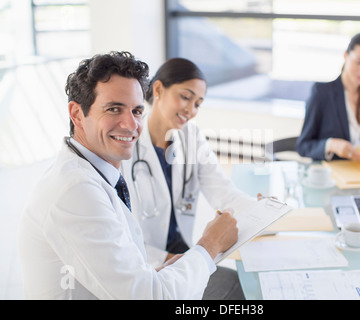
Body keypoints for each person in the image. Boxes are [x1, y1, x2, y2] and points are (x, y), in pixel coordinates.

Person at [18, 51, 239, 300]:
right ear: (77, 114)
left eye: (136, 111)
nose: (131, 125)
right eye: (114, 109)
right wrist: (209, 246)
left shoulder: (97, 174)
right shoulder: (75, 191)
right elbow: (147, 297)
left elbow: (129, 275)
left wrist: (163, 271)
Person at [121, 57, 257, 300]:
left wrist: (259, 209)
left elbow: (223, 191)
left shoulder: (191, 137)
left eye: (198, 103)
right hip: (147, 265)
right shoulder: (125, 146)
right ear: (159, 89)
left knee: (246, 284)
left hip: (184, 255)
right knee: (236, 289)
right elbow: (124, 235)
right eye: (185, 97)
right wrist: (166, 259)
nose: (191, 110)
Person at [296, 32, 360, 161]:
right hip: (332, 175)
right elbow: (303, 146)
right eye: (358, 62)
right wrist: (330, 145)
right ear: (346, 55)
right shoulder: (322, 93)